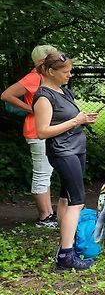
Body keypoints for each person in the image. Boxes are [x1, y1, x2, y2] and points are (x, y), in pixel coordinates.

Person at [33, 51, 99, 270]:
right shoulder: (44, 97)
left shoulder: (63, 91)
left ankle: (67, 241)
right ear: (51, 72)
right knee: (77, 202)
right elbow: (42, 131)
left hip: (75, 148)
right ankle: (66, 256)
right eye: (65, 71)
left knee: (65, 197)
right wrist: (75, 121)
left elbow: (70, 119)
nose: (70, 74)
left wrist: (83, 120)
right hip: (64, 152)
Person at [1, 45, 57, 227]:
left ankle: (49, 214)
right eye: (52, 58)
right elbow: (7, 95)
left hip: (45, 130)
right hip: (37, 131)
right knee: (41, 173)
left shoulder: (44, 77)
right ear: (42, 62)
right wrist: (31, 109)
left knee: (46, 173)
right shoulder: (34, 77)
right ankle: (44, 216)